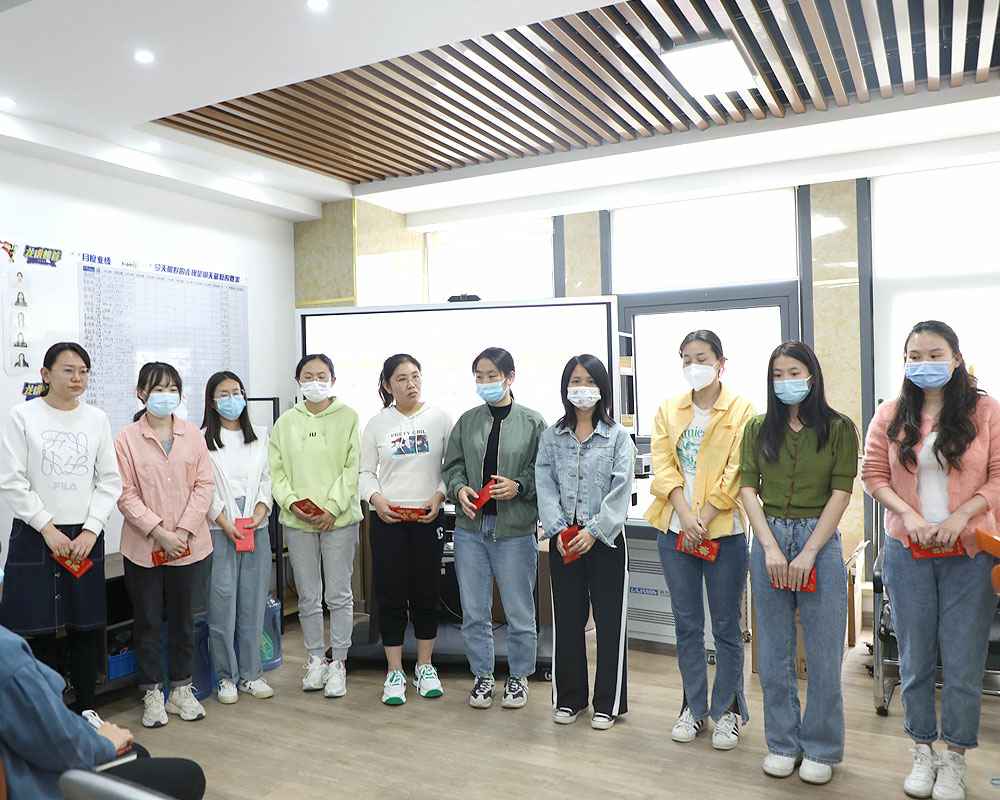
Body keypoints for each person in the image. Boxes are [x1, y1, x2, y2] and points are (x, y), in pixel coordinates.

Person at [862, 320, 1000, 800]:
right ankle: (922, 751)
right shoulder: (891, 413)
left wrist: (962, 516)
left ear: (956, 358)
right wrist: (909, 515)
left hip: (970, 554)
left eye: (935, 354)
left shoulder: (986, 410)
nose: (924, 364)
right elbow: (873, 474)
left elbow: (999, 476)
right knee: (916, 660)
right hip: (909, 551)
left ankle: (955, 757)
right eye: (914, 356)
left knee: (963, 663)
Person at [739, 341, 858, 786]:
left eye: (794, 372)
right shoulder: (757, 428)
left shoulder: (839, 428)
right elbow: (747, 488)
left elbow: (841, 493)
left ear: (812, 376)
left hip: (819, 541)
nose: (786, 381)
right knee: (773, 653)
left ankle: (822, 747)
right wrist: (769, 547)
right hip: (769, 536)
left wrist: (808, 551)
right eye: (778, 374)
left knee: (824, 654)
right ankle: (782, 743)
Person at [645, 330, 755, 750]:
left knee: (726, 626)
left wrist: (704, 517)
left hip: (723, 533)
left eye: (703, 358)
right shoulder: (668, 409)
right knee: (687, 625)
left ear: (721, 363)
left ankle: (727, 711)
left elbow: (737, 470)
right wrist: (686, 516)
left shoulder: (742, 409)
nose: (695, 365)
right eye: (687, 358)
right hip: (676, 530)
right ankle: (692, 707)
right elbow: (663, 467)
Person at [0, 342, 122, 712]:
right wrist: (47, 528)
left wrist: (91, 529)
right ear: (45, 374)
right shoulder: (22, 416)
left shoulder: (97, 419)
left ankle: (86, 709)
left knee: (85, 625)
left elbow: (110, 481)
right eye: (68, 370)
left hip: (84, 537)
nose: (77, 378)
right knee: (36, 628)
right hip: (36, 535)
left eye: (83, 371)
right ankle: (46, 714)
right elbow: (12, 480)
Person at [443, 347, 546, 710]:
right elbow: (452, 466)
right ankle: (482, 676)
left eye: (492, 376)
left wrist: (519, 485)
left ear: (510, 377)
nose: (485, 382)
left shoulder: (533, 422)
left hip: (514, 530)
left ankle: (518, 677)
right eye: (479, 376)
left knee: (519, 611)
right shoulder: (467, 421)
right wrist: (459, 488)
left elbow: (543, 471)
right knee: (474, 611)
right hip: (470, 529)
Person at [535, 354, 635, 730]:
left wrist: (593, 531)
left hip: (605, 541)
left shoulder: (618, 437)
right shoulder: (552, 436)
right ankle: (570, 698)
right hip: (565, 540)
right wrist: (558, 529)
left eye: (589, 381)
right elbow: (544, 483)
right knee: (567, 621)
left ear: (602, 388)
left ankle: (608, 703)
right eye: (575, 381)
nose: (582, 389)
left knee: (610, 624)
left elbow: (621, 490)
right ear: (565, 388)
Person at [0, 620, 206, 800]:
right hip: (42, 785)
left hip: (30, 764)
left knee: (137, 753)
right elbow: (62, 745)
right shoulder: (7, 654)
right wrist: (105, 743)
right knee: (189, 775)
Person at [115, 362, 214, 728]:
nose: (165, 395)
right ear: (141, 393)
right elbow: (125, 494)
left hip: (190, 545)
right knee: (148, 623)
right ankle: (153, 693)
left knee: (184, 621)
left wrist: (183, 532)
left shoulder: (193, 435)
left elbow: (204, 485)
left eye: (172, 388)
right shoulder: (126, 438)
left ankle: (181, 690)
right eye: (157, 389)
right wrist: (160, 533)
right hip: (144, 549)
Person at [360, 354, 452, 705]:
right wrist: (376, 499)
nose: (411, 384)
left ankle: (425, 666)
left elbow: (451, 467)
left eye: (415, 376)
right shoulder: (377, 424)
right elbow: (365, 472)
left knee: (428, 592)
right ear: (387, 385)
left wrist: (439, 495)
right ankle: (395, 670)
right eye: (401, 378)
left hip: (428, 518)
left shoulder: (440, 418)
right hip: (388, 520)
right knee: (391, 594)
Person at [269, 353, 361, 698]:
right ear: (298, 382)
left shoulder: (348, 417)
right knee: (308, 595)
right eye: (308, 376)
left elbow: (352, 468)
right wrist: (292, 502)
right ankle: (315, 660)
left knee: (338, 594)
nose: (315, 382)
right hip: (298, 521)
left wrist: (332, 508)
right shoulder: (286, 423)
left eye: (322, 375)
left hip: (339, 520)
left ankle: (339, 662)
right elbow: (276, 471)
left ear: (333, 380)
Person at [202, 371, 275, 705]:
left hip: (255, 528)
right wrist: (223, 520)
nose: (232, 399)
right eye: (224, 394)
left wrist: (259, 514)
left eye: (237, 392)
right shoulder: (201, 440)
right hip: (219, 531)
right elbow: (202, 488)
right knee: (222, 606)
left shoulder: (260, 435)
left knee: (253, 604)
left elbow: (268, 479)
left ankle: (251, 674)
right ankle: (225, 677)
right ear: (212, 401)